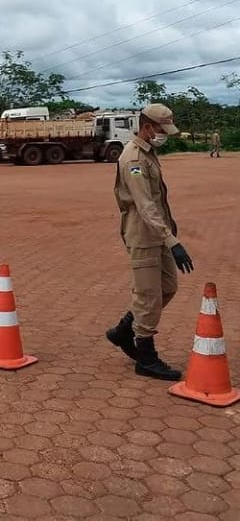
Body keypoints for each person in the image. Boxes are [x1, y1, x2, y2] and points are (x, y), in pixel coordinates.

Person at [106, 103, 193, 381]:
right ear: (147, 127)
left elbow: (158, 200)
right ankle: (145, 357)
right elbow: (144, 206)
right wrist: (173, 241)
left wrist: (170, 230)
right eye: (160, 129)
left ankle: (123, 330)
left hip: (159, 232)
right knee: (148, 296)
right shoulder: (133, 158)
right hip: (143, 234)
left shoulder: (149, 152)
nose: (163, 135)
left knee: (167, 287)